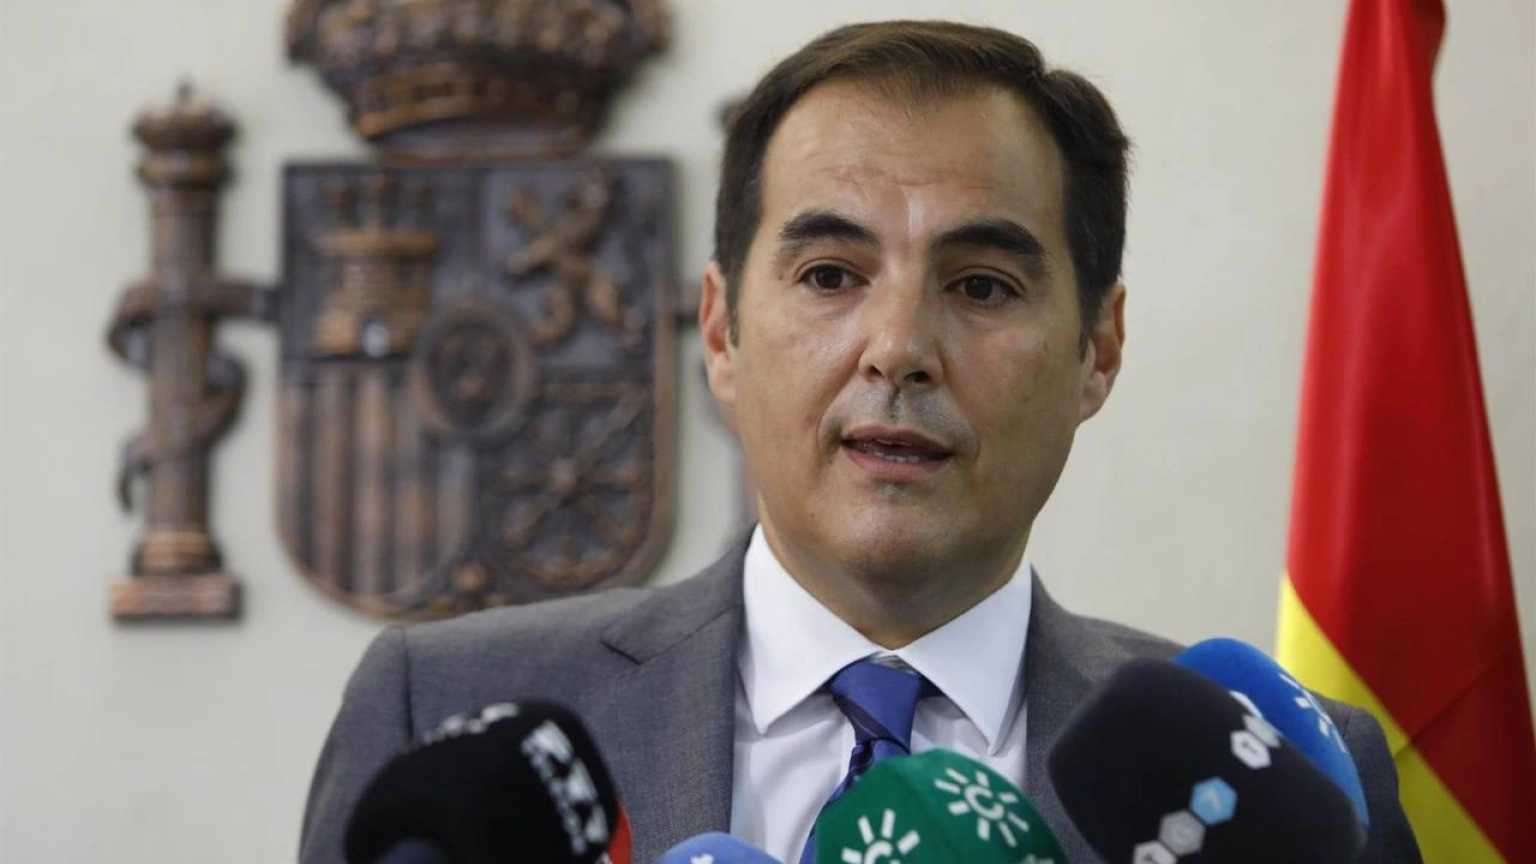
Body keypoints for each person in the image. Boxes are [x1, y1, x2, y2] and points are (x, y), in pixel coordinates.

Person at [300, 20, 1422, 864]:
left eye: (982, 285)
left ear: (1098, 351)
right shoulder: (440, 712)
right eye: (831, 275)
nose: (898, 349)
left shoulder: (1290, 788)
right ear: (721, 333)